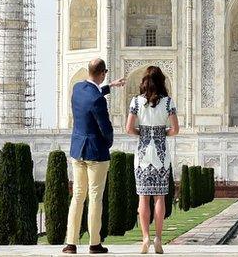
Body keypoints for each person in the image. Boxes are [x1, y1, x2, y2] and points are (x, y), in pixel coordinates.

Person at [63, 58, 125, 255]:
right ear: (102, 73)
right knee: (95, 198)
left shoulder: (77, 88)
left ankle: (70, 243)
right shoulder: (98, 100)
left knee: (78, 197)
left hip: (77, 150)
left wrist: (110, 86)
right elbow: (105, 128)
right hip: (95, 152)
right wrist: (107, 144)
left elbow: (91, 95)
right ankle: (94, 243)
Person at [126, 65, 179, 254]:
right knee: (159, 198)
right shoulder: (168, 103)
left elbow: (129, 129)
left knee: (143, 197)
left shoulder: (135, 102)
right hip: (161, 155)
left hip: (142, 155)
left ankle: (145, 238)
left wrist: (143, 132)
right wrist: (161, 132)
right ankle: (158, 238)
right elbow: (175, 130)